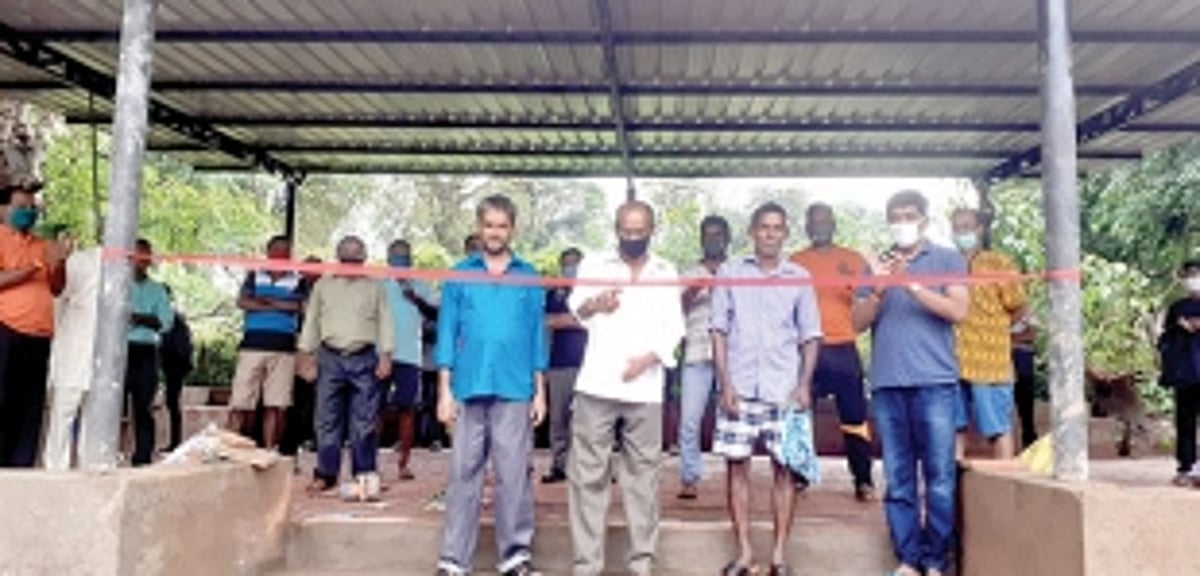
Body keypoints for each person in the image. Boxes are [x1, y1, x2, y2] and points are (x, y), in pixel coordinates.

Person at [851, 190, 968, 576]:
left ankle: (936, 559)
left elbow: (958, 310)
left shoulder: (947, 259)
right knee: (898, 479)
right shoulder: (876, 266)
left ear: (924, 220)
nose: (902, 222)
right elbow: (857, 322)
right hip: (887, 384)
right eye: (895, 216)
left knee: (938, 477)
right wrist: (882, 285)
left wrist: (912, 284)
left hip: (935, 383)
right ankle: (908, 559)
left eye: (909, 215)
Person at [567, 201, 686, 576]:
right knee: (587, 478)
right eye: (626, 231)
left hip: (646, 389)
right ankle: (587, 565)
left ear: (652, 229)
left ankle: (642, 563)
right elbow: (576, 309)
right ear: (615, 228)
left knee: (643, 480)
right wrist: (594, 305)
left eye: (640, 232)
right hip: (597, 384)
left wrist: (649, 359)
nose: (632, 238)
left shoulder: (666, 270)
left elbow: (676, 328)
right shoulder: (595, 265)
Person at [435, 195, 547, 576]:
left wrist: (540, 390)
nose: (495, 232)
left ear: (512, 229)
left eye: (502, 225)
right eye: (489, 225)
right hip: (468, 384)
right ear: (478, 228)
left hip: (515, 387)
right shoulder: (459, 274)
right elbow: (447, 333)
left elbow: (536, 336)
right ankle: (453, 560)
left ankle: (515, 557)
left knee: (514, 474)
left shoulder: (529, 277)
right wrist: (444, 391)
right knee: (464, 472)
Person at [711, 203, 822, 576]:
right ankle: (743, 553)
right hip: (739, 388)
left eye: (777, 227)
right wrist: (724, 383)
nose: (771, 233)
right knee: (737, 469)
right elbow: (718, 331)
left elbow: (810, 335)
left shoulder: (800, 277)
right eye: (764, 227)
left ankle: (778, 556)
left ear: (786, 233)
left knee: (785, 471)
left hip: (784, 389)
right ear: (752, 232)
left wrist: (804, 385)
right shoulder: (730, 272)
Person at [790, 202, 876, 500]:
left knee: (855, 416)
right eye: (814, 222)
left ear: (834, 224)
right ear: (807, 227)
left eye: (825, 221)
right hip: (806, 350)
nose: (820, 226)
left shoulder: (853, 260)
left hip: (843, 347)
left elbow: (869, 300)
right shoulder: (795, 262)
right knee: (799, 414)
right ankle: (798, 476)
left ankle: (863, 480)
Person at [297, 236, 394, 498]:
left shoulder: (375, 287)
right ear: (339, 260)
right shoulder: (324, 286)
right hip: (330, 357)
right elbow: (312, 322)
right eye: (347, 260)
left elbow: (385, 321)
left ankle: (364, 474)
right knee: (326, 420)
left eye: (357, 260)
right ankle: (325, 474)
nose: (352, 265)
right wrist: (305, 356)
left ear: (363, 261)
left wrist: (386, 355)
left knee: (364, 422)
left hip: (364, 357)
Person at [950, 208, 1028, 460]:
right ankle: (952, 485)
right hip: (952, 361)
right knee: (954, 427)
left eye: (967, 226)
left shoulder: (998, 263)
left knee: (997, 428)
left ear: (980, 229)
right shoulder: (947, 264)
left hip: (990, 361)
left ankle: (1005, 484)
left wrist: (994, 329)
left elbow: (1019, 306)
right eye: (957, 227)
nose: (962, 232)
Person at [0, 182, 69, 466]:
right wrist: (36, 267)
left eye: (32, 209)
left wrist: (59, 264)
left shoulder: (44, 245)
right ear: (3, 209)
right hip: (6, 329)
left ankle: (21, 468)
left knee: (30, 406)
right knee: (3, 400)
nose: (28, 213)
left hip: (39, 335)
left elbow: (56, 288)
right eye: (21, 207)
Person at [230, 236, 305, 450]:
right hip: (252, 344)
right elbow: (242, 302)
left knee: (277, 404)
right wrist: (280, 304)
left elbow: (299, 307)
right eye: (276, 250)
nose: (281, 255)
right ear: (268, 252)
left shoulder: (298, 279)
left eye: (285, 251)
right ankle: (229, 449)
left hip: (283, 348)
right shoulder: (254, 275)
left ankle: (269, 449)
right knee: (240, 401)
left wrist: (263, 302)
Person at [677, 215, 730, 499]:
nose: (713, 240)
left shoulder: (738, 271)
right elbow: (674, 315)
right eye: (708, 235)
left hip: (732, 356)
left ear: (727, 238)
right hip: (697, 352)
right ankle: (689, 477)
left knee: (734, 416)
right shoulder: (688, 272)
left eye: (718, 234)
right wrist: (692, 290)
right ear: (701, 239)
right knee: (689, 419)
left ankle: (736, 476)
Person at [383, 239, 437, 481]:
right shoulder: (379, 284)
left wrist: (416, 299)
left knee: (408, 409)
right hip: (381, 353)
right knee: (374, 409)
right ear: (388, 259)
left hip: (410, 355)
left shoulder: (421, 284)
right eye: (396, 257)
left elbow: (436, 313)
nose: (400, 261)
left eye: (404, 257)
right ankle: (370, 464)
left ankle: (404, 462)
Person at [43, 246, 100, 469]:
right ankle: (55, 468)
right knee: (63, 414)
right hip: (72, 354)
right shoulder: (80, 262)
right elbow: (57, 294)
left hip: (99, 361)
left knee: (94, 418)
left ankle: (89, 466)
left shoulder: (116, 274)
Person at [126, 238, 175, 466]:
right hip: (118, 351)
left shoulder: (157, 290)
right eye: (137, 255)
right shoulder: (116, 284)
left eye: (145, 256)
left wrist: (137, 318)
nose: (141, 261)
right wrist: (148, 318)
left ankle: (143, 457)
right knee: (111, 406)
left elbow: (165, 322)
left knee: (143, 406)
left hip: (145, 350)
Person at [543, 247, 587, 484]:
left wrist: (568, 321)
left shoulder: (592, 290)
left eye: (576, 263)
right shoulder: (554, 294)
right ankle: (559, 465)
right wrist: (579, 320)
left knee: (589, 419)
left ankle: (587, 467)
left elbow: (597, 322)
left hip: (589, 365)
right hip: (559, 363)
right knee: (559, 418)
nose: (571, 268)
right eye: (567, 263)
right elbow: (548, 321)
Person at [1159, 260, 1200, 486]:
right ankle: (1186, 467)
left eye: (1196, 274)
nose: (1193, 279)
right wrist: (1180, 327)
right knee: (1185, 421)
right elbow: (1165, 339)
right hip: (1185, 375)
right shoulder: (1177, 308)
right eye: (1189, 275)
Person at [280, 255, 323, 458]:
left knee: (312, 400)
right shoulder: (295, 289)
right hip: (293, 346)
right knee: (291, 400)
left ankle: (306, 443)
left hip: (317, 349)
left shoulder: (326, 290)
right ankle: (285, 446)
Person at [160, 285, 195, 451]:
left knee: (172, 403)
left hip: (173, 365)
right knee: (171, 403)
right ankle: (173, 441)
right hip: (165, 363)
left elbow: (182, 348)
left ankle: (175, 441)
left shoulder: (176, 320)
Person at [1011, 310, 1039, 449]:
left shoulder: (1028, 311)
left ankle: (1029, 440)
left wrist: (1008, 337)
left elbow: (1032, 334)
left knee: (1026, 402)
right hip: (1003, 358)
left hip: (1023, 358)